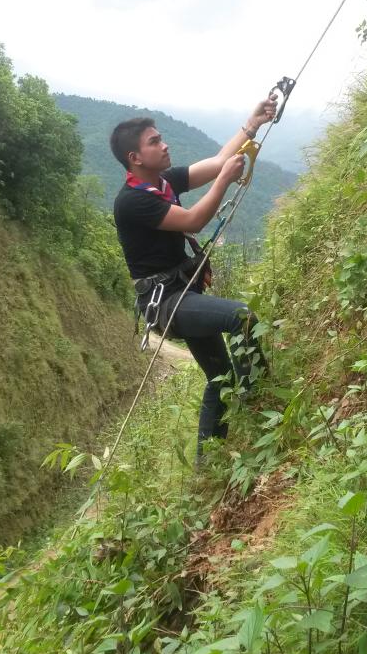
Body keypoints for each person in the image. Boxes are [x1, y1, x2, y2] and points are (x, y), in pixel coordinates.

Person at [111, 95, 277, 456]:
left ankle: (208, 463)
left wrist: (253, 124)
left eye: (161, 138)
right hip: (166, 302)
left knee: (220, 378)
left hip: (182, 292)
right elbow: (194, 221)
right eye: (154, 141)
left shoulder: (163, 182)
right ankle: (264, 406)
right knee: (241, 317)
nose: (164, 144)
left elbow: (217, 163)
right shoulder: (133, 202)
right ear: (135, 157)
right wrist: (225, 180)